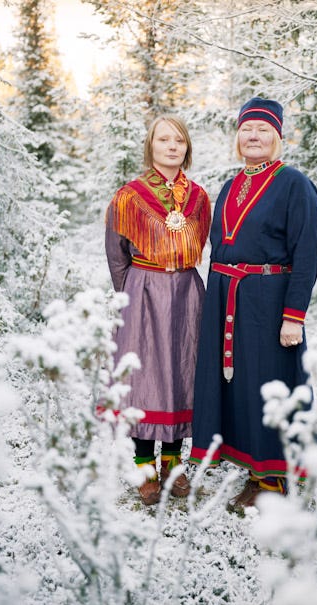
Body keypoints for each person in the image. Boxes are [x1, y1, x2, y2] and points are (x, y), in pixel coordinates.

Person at [189, 97, 317, 508]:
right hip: (229, 299)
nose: (254, 136)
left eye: (263, 129)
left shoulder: (294, 184)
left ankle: (273, 480)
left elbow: (308, 252)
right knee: (241, 387)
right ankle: (253, 466)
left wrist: (294, 315)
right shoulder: (230, 186)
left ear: (278, 138)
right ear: (237, 137)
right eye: (247, 128)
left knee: (271, 384)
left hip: (270, 303)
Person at [105, 114, 211, 506]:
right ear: (151, 146)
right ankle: (145, 470)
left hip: (186, 290)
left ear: (187, 148)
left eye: (178, 141)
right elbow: (116, 255)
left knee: (182, 374)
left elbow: (202, 243)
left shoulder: (199, 197)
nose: (171, 146)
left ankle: (173, 465)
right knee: (146, 378)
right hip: (143, 289)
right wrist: (131, 296)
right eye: (163, 139)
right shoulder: (128, 196)